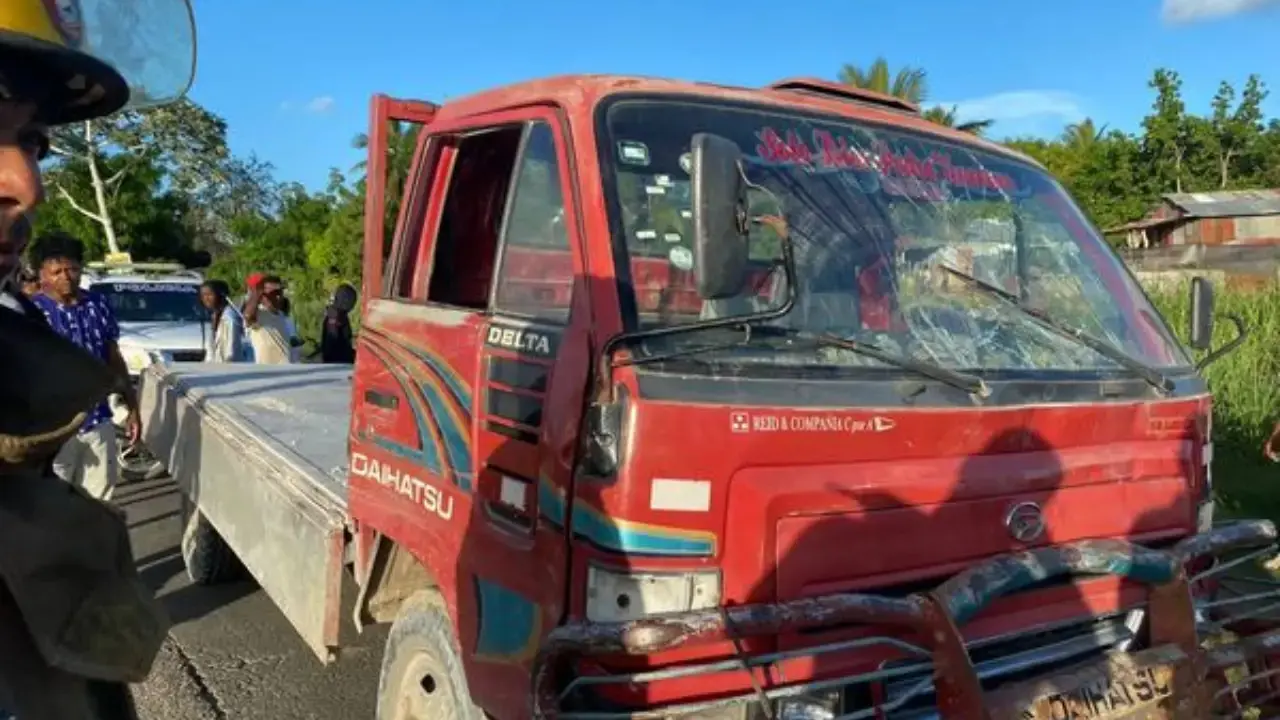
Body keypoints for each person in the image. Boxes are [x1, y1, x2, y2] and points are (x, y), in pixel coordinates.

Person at [0, 1, 196, 716]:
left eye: (33, 140)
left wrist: (124, 399)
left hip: (87, 424)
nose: (27, 183)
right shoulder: (33, 315)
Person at [30, 233, 141, 501]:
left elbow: (113, 357)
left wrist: (132, 408)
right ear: (42, 274)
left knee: (99, 502)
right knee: (53, 505)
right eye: (56, 271)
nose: (66, 277)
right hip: (52, 429)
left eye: (72, 269)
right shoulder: (31, 312)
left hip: (98, 421)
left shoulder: (98, 305)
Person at [243, 274, 296, 364]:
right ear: (262, 295)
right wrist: (257, 293)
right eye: (273, 294)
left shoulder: (281, 315)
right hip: (267, 371)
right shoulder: (259, 315)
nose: (278, 297)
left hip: (286, 370)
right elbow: (248, 316)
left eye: (280, 293)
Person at [199, 279, 248, 363]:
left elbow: (232, 350)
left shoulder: (229, 318)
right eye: (203, 295)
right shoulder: (216, 315)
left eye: (210, 294)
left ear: (221, 295)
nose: (206, 298)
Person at [317, 283, 357, 364]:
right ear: (344, 300)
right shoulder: (334, 316)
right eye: (352, 301)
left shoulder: (339, 315)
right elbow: (332, 343)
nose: (353, 306)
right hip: (338, 364)